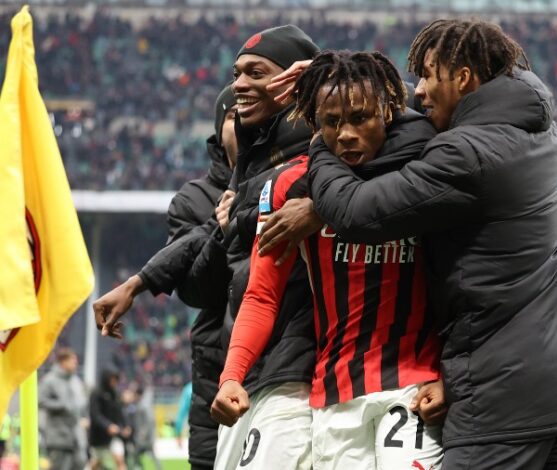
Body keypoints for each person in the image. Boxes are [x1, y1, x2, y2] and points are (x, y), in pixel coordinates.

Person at [306, 19, 557, 469]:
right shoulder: (534, 129)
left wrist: (320, 142)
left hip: (498, 399)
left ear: (463, 78)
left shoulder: (468, 152)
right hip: (549, 390)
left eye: (429, 75)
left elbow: (358, 212)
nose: (419, 92)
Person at [212, 50, 444, 469]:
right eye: (332, 123)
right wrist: (232, 374)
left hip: (413, 386)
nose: (347, 135)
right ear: (315, 125)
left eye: (360, 118)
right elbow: (262, 294)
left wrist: (448, 374)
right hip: (335, 394)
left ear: (389, 113)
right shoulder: (287, 188)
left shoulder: (424, 169)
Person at [93, 85, 237, 469]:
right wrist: (227, 223)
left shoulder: (297, 179)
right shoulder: (192, 200)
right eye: (233, 115)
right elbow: (197, 289)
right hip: (219, 368)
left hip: (291, 362)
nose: (244, 121)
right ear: (218, 129)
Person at [201, 25, 321, 469]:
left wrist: (324, 74)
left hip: (296, 371)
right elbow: (252, 286)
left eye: (256, 72)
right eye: (237, 74)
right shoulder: (255, 162)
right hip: (251, 369)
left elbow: (401, 105)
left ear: (294, 80)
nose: (239, 85)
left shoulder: (321, 160)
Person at [38, 348, 89, 470]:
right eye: (72, 361)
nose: (75, 364)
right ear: (63, 362)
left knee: (79, 464)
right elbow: (40, 401)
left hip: (76, 436)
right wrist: (62, 405)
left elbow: (82, 404)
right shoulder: (49, 380)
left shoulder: (76, 381)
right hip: (58, 436)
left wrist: (85, 418)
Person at [89, 367, 130, 470]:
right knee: (97, 463)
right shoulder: (96, 393)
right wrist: (107, 426)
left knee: (119, 459)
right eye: (112, 379)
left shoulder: (116, 393)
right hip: (99, 436)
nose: (114, 382)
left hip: (115, 435)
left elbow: (120, 412)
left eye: (116, 379)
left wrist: (125, 426)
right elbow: (95, 414)